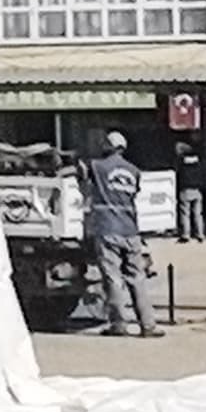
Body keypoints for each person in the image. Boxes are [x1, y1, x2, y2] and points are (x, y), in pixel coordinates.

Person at [79, 130, 159, 337]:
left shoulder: (98, 166)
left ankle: (119, 324)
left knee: (113, 278)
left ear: (107, 146)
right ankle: (148, 325)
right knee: (137, 277)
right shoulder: (134, 171)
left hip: (108, 229)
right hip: (131, 230)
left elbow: (80, 171)